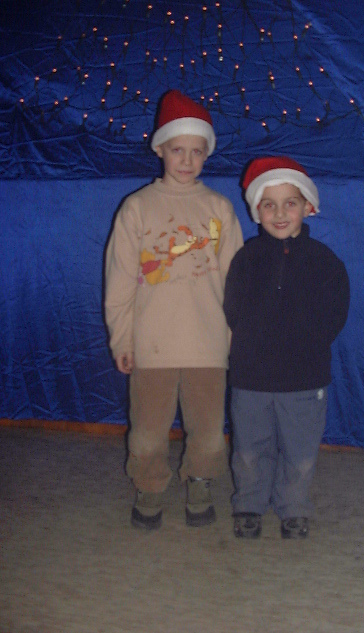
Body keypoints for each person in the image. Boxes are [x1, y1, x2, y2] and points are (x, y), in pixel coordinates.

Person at [105, 90, 243, 530]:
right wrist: (122, 339)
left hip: (208, 344)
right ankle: (149, 486)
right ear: (160, 148)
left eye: (197, 152)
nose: (187, 160)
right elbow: (120, 281)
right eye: (178, 150)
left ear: (207, 154)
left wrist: (234, 338)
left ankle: (200, 482)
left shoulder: (219, 208)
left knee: (208, 428)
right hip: (153, 344)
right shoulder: (137, 208)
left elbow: (237, 282)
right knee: (148, 430)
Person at [223, 156, 349, 539]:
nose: (279, 214)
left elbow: (335, 313)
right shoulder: (245, 259)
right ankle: (249, 503)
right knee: (249, 448)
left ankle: (294, 506)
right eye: (269, 205)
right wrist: (250, 346)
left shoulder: (325, 262)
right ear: (256, 210)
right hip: (251, 378)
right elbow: (232, 309)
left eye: (289, 203)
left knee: (300, 451)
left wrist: (307, 345)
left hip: (304, 379)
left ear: (308, 206)